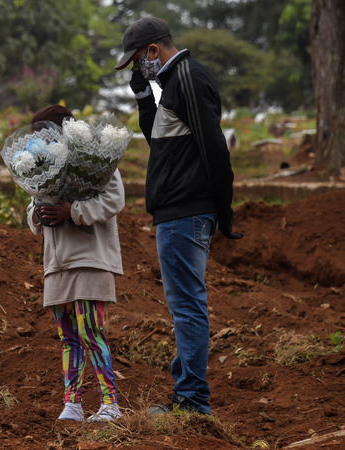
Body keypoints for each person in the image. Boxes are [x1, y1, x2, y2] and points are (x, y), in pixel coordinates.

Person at [115, 17, 243, 415]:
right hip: (180, 211)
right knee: (185, 304)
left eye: (138, 61)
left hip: (185, 212)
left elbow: (214, 147)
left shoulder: (186, 76)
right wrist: (142, 97)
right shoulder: (172, 83)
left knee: (187, 306)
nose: (138, 68)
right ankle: (187, 388)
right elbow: (162, 141)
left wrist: (224, 210)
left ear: (153, 51)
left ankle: (192, 401)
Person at [26, 105, 125, 422]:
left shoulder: (95, 160)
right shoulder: (44, 166)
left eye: (44, 134)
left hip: (89, 259)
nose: (39, 141)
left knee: (89, 329)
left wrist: (73, 212)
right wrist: (39, 215)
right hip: (57, 263)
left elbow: (114, 199)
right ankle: (73, 404)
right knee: (67, 335)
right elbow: (33, 210)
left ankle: (110, 404)